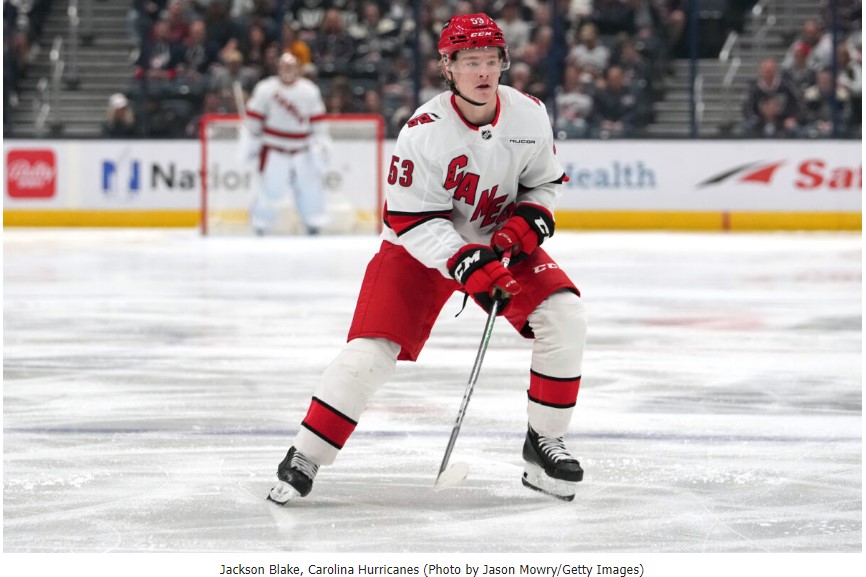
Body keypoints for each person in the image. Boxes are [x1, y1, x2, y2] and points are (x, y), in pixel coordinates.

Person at [267, 13, 588, 504]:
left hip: (498, 242)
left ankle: (543, 441)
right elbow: (409, 221)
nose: (483, 72)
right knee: (369, 353)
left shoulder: (529, 115)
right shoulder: (423, 131)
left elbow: (545, 181)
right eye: (470, 62)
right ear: (448, 68)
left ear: (504, 62)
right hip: (418, 249)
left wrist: (529, 221)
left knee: (564, 314)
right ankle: (306, 453)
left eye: (491, 61)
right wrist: (464, 261)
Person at [241, 52, 330, 235]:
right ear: (278, 67)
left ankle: (314, 222)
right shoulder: (266, 88)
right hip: (274, 149)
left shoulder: (309, 90)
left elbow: (318, 123)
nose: (288, 70)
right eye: (284, 66)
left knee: (310, 188)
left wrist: (320, 144)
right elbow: (254, 121)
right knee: (269, 189)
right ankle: (260, 224)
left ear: (298, 68)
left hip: (302, 150)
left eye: (291, 66)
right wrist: (251, 141)